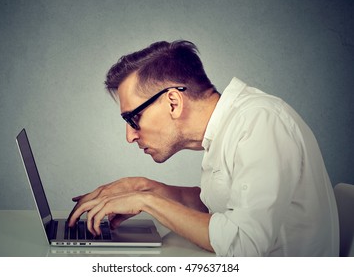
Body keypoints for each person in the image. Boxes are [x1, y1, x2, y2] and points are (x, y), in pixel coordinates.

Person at [68, 40, 339, 256]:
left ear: (173, 102)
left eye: (132, 118)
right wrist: (142, 187)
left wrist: (147, 201)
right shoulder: (228, 128)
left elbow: (242, 245)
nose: (129, 136)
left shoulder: (260, 122)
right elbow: (220, 208)